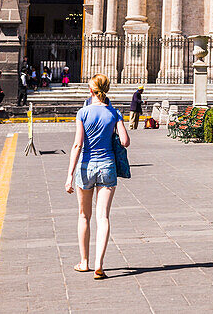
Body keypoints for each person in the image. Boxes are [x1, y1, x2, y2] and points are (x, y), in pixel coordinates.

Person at [65, 73, 130, 280]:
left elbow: (77, 145)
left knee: (84, 216)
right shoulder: (114, 112)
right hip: (108, 166)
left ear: (91, 91)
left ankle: (84, 262)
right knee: (104, 217)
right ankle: (99, 264)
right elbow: (125, 141)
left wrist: (69, 175)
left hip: (86, 167)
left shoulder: (83, 112)